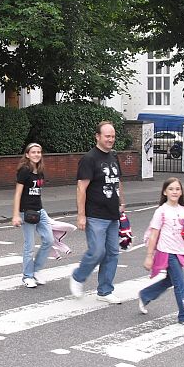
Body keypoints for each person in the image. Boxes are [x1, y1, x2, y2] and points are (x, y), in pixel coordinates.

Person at [69, 121, 125, 303]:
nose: (111, 139)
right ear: (98, 136)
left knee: (112, 253)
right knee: (96, 252)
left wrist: (121, 202)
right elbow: (81, 188)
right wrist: (81, 215)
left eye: (113, 136)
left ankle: (105, 290)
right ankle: (78, 277)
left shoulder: (114, 156)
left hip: (112, 214)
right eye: (107, 136)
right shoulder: (89, 159)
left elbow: (117, 181)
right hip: (95, 214)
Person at [139, 177, 184, 327]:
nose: (174, 191)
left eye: (177, 189)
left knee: (171, 280)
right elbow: (154, 234)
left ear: (181, 192)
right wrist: (149, 256)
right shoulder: (161, 211)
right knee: (181, 283)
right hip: (166, 251)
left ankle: (145, 294)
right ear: (165, 192)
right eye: (171, 189)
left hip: (179, 250)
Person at [11, 142, 54, 288]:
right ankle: (27, 276)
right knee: (29, 245)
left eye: (39, 152)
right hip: (26, 212)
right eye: (34, 152)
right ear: (27, 155)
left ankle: (36, 270)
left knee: (49, 240)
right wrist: (16, 215)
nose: (37, 154)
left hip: (40, 210)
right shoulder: (24, 171)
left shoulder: (40, 170)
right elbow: (18, 194)